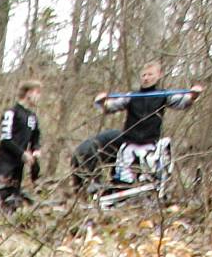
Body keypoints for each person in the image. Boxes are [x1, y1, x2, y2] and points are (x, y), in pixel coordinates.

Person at [72, 62, 204, 185]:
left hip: (150, 147)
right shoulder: (131, 96)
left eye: (150, 74)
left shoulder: (164, 95)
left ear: (159, 75)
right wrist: (102, 102)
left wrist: (193, 95)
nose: (146, 78)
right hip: (129, 145)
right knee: (123, 180)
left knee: (148, 180)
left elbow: (183, 103)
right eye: (144, 75)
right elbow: (110, 107)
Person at [0, 79, 42, 206]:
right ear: (28, 93)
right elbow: (5, 139)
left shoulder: (33, 117)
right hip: (5, 163)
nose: (39, 96)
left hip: (19, 166)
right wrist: (22, 154)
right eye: (37, 92)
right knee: (0, 198)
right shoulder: (11, 113)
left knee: (14, 201)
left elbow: (35, 138)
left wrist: (35, 151)